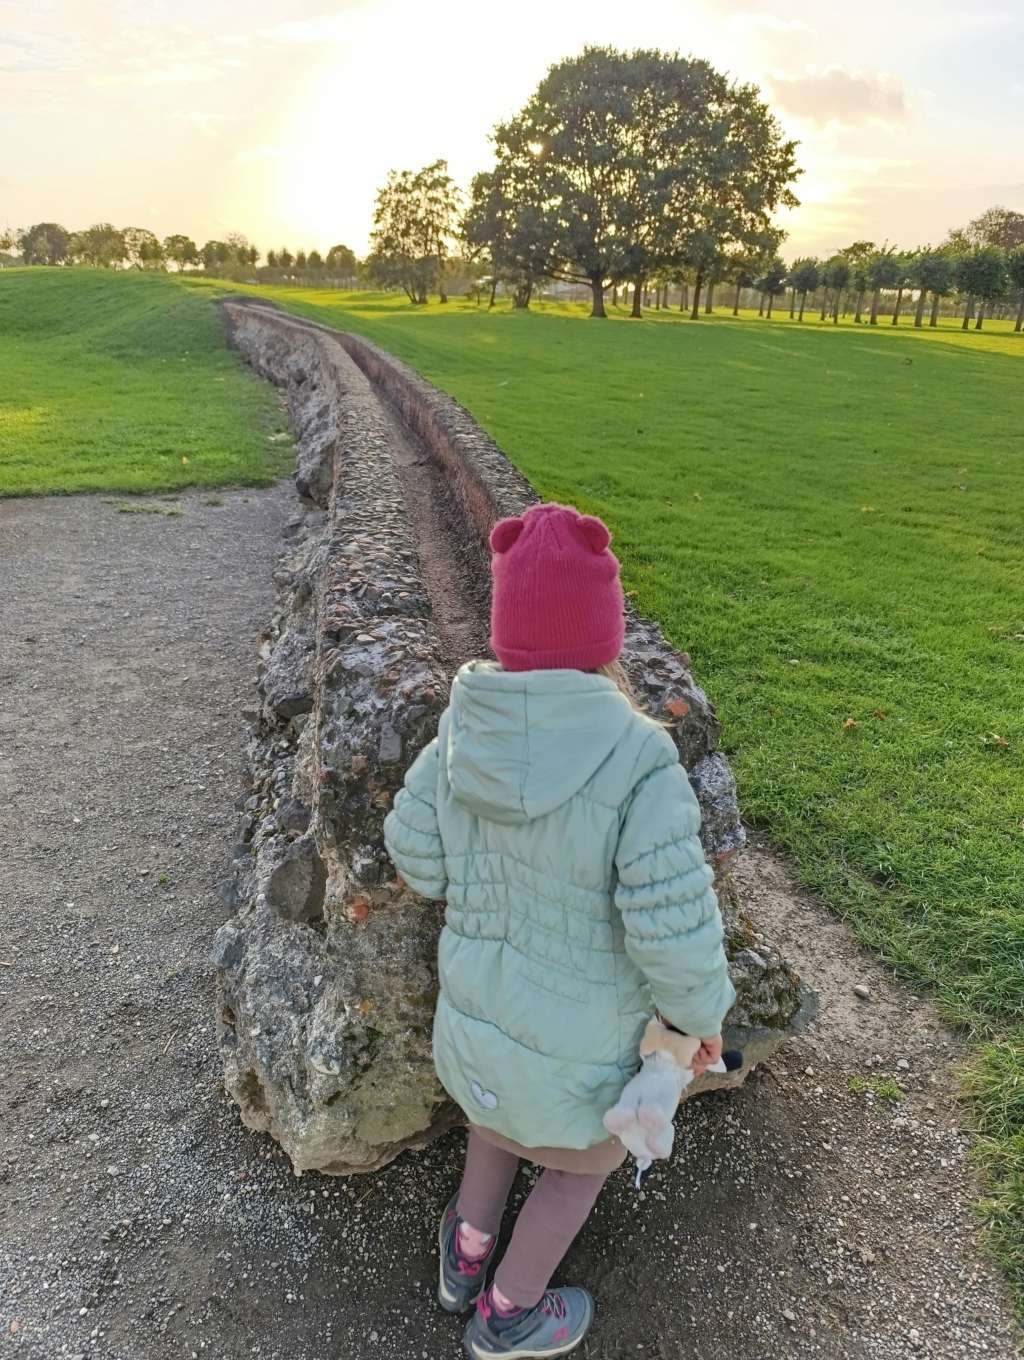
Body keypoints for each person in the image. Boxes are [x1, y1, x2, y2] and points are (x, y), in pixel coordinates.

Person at [384, 502, 735, 1359]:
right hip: (580, 1048)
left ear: (508, 631)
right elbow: (672, 924)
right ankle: (508, 1313)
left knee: (494, 1122)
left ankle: (463, 1258)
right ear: (603, 633)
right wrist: (698, 1017)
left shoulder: (461, 732)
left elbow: (415, 858)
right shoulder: (640, 758)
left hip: (477, 1020)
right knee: (574, 1169)